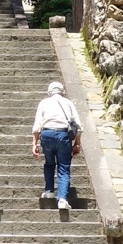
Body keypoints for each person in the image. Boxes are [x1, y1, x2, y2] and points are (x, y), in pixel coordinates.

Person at [31, 80, 81, 211]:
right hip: (63, 135)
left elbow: (37, 125)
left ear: (49, 92)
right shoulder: (68, 103)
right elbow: (78, 126)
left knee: (49, 163)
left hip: (46, 135)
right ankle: (62, 199)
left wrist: (34, 143)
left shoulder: (43, 103)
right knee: (63, 167)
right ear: (63, 92)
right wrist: (77, 144)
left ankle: (49, 191)